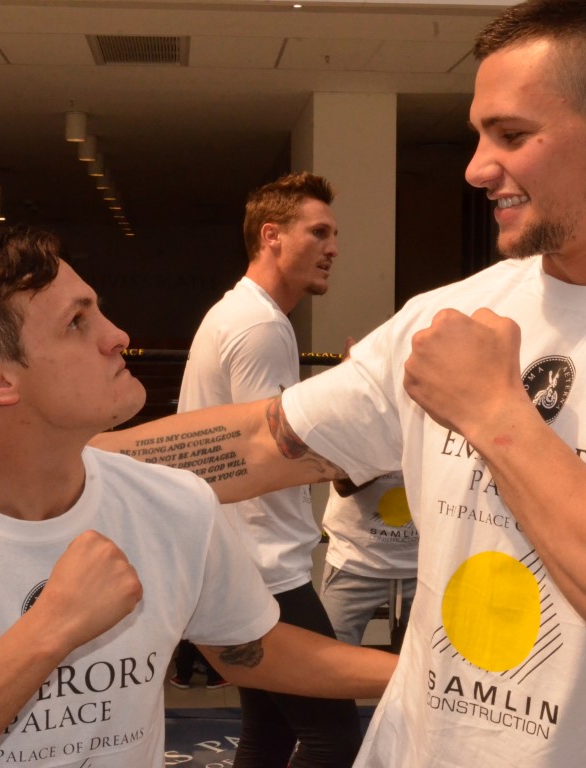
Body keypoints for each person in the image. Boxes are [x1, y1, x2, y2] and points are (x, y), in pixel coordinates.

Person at [91, 2, 586, 765]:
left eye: (511, 135)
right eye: (480, 134)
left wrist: (493, 413)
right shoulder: (449, 314)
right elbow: (266, 439)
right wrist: (56, 462)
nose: (477, 167)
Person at [0, 226, 396, 768]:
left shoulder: (175, 503)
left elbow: (251, 648)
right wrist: (49, 628)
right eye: (77, 323)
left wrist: (427, 673)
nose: (118, 336)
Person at [175, 170, 360, 768]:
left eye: (334, 234)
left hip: (242, 559)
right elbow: (267, 452)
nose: (333, 248)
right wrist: (358, 410)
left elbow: (260, 436)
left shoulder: (241, 313)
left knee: (270, 735)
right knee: (334, 738)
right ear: (272, 235)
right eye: (319, 232)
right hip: (263, 570)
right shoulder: (259, 326)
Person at [320, 471, 418, 651]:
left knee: (431, 661)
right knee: (331, 658)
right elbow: (343, 485)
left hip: (421, 566)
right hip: (353, 560)